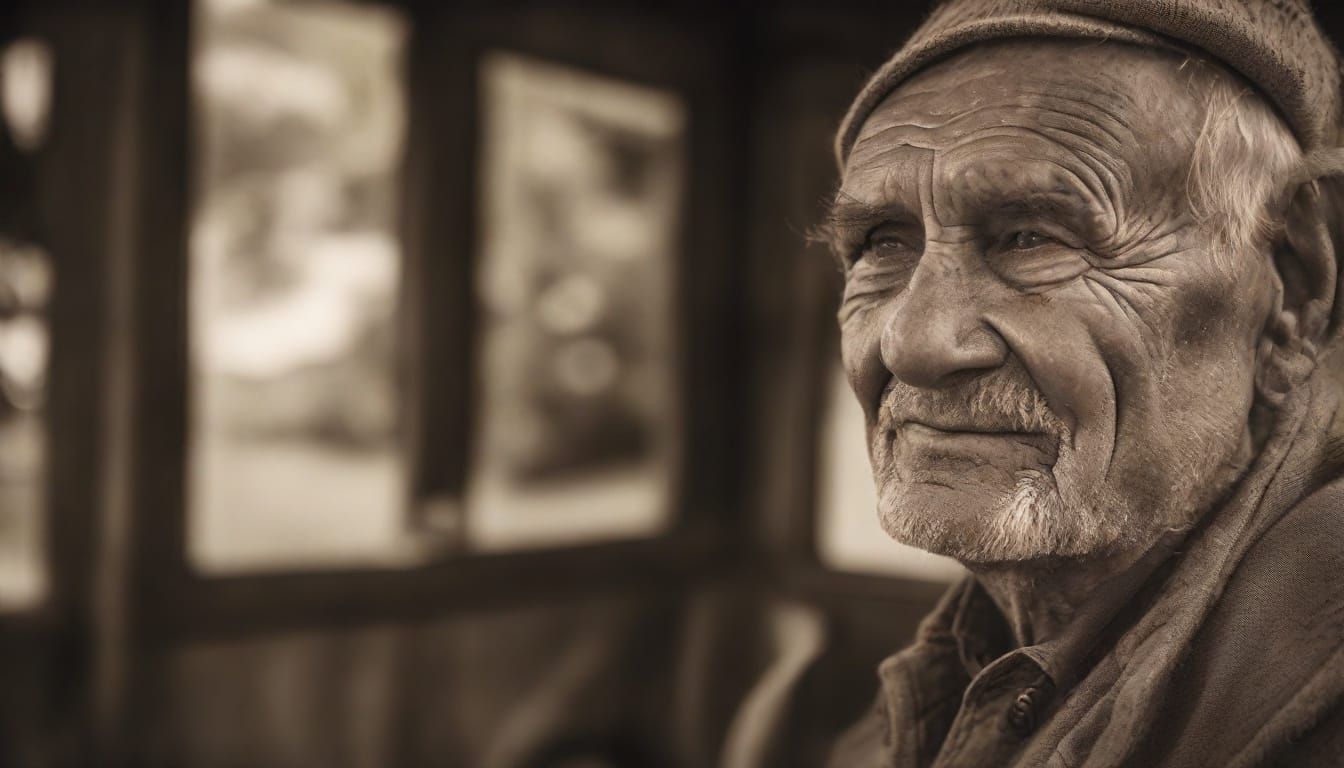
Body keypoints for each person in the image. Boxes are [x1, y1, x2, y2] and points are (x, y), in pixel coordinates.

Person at [822, 1, 1344, 765]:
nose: (914, 342)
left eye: (1033, 238)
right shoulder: (940, 682)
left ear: (1292, 289)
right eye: (882, 243)